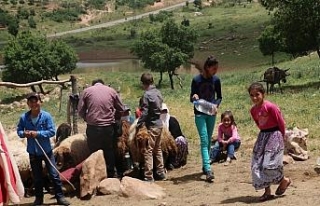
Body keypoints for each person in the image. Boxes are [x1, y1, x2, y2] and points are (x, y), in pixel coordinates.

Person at [17, 92, 70, 206]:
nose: (34, 103)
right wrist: (25, 133)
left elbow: (51, 131)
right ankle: (39, 199)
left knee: (54, 174)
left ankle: (60, 197)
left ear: (40, 102)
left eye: (36, 101)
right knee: (37, 177)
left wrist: (38, 134)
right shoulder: (24, 117)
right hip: (33, 152)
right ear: (28, 104)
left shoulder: (46, 116)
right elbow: (19, 131)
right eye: (31, 101)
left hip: (46, 151)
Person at [248, 82, 291, 202]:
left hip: (274, 135)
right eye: (252, 95)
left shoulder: (270, 107)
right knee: (257, 164)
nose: (254, 98)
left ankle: (283, 181)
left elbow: (281, 122)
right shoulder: (253, 110)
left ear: (263, 94)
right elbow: (259, 124)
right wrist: (263, 137)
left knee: (269, 164)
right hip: (263, 136)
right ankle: (267, 192)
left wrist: (282, 137)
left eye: (257, 94)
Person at [78, 79, 125, 178]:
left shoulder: (86, 91)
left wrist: (87, 118)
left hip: (93, 127)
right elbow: (121, 108)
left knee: (94, 151)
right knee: (109, 150)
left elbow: (80, 111)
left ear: (93, 84)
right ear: (103, 83)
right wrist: (114, 115)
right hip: (108, 127)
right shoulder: (111, 91)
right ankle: (110, 174)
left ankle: (95, 175)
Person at [190, 55, 222, 183]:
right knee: (204, 140)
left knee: (208, 140)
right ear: (207, 67)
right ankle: (208, 169)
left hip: (211, 113)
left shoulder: (216, 80)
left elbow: (219, 96)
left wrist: (216, 105)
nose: (216, 71)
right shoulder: (196, 80)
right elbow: (191, 97)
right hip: (199, 114)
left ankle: (205, 165)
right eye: (214, 68)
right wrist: (194, 97)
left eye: (216, 68)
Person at [137, 72, 166, 182]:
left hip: (152, 125)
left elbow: (144, 112)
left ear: (143, 83)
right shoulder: (158, 92)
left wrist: (139, 123)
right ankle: (161, 172)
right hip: (159, 124)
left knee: (148, 150)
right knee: (157, 149)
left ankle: (148, 176)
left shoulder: (146, 95)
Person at [160, 103, 188, 169]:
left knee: (180, 140)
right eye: (161, 111)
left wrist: (169, 141)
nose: (163, 113)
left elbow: (177, 134)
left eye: (165, 111)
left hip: (173, 143)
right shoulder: (157, 122)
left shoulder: (172, 120)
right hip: (161, 145)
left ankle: (176, 161)